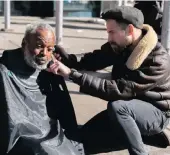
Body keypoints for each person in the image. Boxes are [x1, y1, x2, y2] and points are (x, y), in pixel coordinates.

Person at [50, 6, 170, 155]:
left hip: (154, 113)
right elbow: (93, 59)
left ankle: (143, 147)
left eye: (112, 32)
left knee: (118, 107)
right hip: (126, 108)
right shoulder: (121, 44)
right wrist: (67, 58)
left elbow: (119, 90)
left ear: (130, 30)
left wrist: (72, 75)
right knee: (81, 140)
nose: (109, 38)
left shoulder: (156, 59)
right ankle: (140, 135)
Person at [0, 23, 84, 155]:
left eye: (50, 49)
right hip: (23, 138)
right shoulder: (4, 71)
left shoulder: (51, 71)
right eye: (39, 47)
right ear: (24, 43)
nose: (44, 54)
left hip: (51, 133)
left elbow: (64, 112)